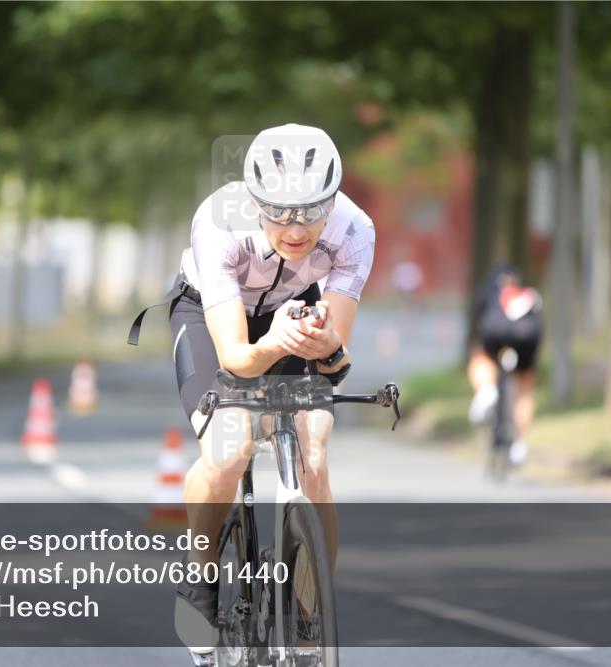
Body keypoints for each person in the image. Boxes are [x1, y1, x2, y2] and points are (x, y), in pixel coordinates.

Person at [129, 123, 375, 659]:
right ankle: (201, 578)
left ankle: (311, 606)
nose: (296, 228)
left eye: (312, 211)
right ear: (253, 201)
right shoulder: (219, 224)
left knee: (315, 448)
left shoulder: (355, 230)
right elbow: (237, 358)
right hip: (213, 315)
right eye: (279, 212)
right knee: (230, 446)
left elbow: (336, 356)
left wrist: (325, 346)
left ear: (332, 201)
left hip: (295, 306)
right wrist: (273, 349)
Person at [466, 263, 543, 465]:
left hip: (494, 335)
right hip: (526, 340)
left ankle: (486, 390)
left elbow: (479, 315)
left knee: (481, 357)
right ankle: (519, 443)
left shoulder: (490, 292)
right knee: (524, 390)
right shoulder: (528, 295)